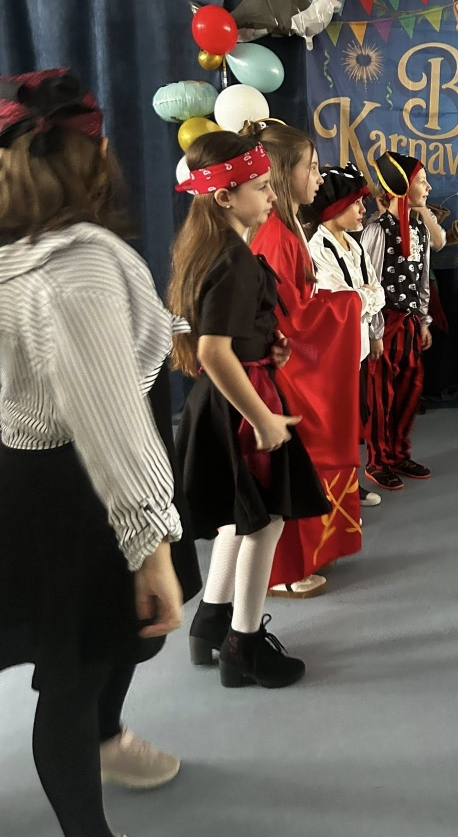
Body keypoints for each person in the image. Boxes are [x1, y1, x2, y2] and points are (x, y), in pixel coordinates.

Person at [0, 69, 200, 837]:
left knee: (108, 641)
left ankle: (107, 736)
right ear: (95, 154)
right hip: (87, 490)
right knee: (76, 671)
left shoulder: (22, 252)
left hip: (40, 475)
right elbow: (106, 417)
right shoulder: (76, 267)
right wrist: (149, 542)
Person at [170, 130, 331, 682]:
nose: (271, 195)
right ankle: (244, 645)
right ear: (224, 197)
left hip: (220, 399)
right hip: (243, 404)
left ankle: (210, 622)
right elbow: (213, 350)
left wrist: (265, 344)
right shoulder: (235, 259)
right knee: (265, 522)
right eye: (261, 187)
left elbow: (225, 337)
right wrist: (262, 419)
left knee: (241, 518)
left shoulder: (209, 251)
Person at [246, 120, 363, 598]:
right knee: (295, 462)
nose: (318, 177)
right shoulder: (276, 236)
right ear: (281, 173)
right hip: (286, 371)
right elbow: (288, 321)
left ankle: (309, 553)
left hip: (291, 366)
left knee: (303, 462)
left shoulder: (287, 229)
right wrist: (348, 303)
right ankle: (286, 570)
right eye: (311, 168)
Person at [306, 164, 386, 506]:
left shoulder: (355, 246)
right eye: (356, 204)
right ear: (335, 208)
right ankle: (329, 490)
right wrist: (363, 298)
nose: (363, 210)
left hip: (358, 349)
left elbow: (377, 292)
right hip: (332, 355)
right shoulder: (318, 249)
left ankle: (350, 484)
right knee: (333, 425)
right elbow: (338, 301)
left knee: (353, 421)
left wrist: (363, 300)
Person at [360, 152, 434, 491]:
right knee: (380, 396)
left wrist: (423, 320)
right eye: (422, 182)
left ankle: (399, 453)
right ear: (402, 188)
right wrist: (374, 331)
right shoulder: (377, 231)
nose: (428, 188)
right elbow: (369, 285)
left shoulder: (420, 229)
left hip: (409, 323)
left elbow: (423, 279)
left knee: (409, 389)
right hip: (384, 324)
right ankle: (378, 460)